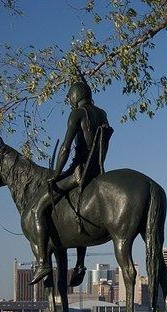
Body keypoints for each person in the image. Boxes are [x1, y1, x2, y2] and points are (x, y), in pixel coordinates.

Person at [30, 80, 112, 284]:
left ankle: (43, 263)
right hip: (97, 172)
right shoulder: (102, 113)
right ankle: (80, 264)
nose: (69, 102)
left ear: (75, 96)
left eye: (69, 98)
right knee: (78, 214)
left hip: (78, 172)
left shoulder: (78, 114)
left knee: (38, 209)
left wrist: (56, 174)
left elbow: (66, 147)